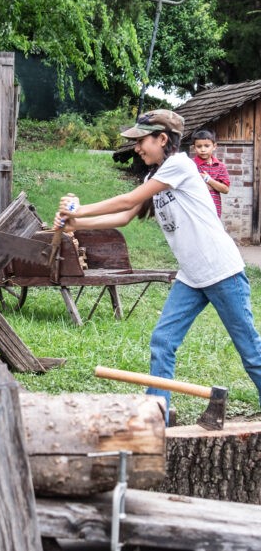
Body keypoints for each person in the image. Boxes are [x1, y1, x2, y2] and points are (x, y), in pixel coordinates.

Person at [55, 109, 261, 421]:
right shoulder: (155, 177)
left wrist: (80, 209)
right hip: (192, 277)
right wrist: (75, 223)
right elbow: (125, 217)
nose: (137, 147)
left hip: (222, 272)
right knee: (162, 343)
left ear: (162, 139)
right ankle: (157, 418)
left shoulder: (179, 166)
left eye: (142, 140)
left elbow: (125, 201)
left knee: (250, 352)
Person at [191, 128, 230, 217]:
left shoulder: (220, 166)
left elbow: (225, 189)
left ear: (214, 146)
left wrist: (208, 180)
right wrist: (215, 186)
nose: (203, 149)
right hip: (195, 211)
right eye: (199, 146)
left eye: (207, 146)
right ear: (194, 148)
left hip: (214, 212)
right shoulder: (191, 165)